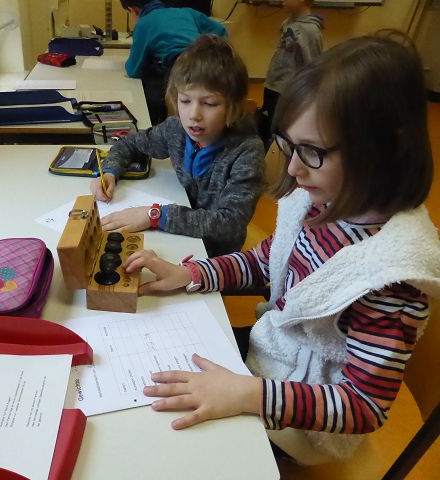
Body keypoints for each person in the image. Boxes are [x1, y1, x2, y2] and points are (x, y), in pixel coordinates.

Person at [123, 32, 440, 464]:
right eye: (290, 146)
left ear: (381, 150)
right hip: (272, 362)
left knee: (170, 442)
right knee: (154, 361)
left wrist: (247, 394)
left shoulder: (392, 279)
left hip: (303, 422)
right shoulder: (325, 202)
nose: (292, 169)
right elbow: (266, 261)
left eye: (311, 151)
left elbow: (363, 405)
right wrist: (192, 273)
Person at [91, 35, 265, 257]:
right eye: (185, 101)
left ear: (233, 106)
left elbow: (229, 223)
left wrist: (156, 216)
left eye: (209, 103)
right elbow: (129, 143)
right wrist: (110, 171)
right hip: (174, 233)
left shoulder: (247, 152)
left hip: (213, 255)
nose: (194, 115)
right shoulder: (176, 130)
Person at [121, 0, 227, 125]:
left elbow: (134, 70)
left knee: (155, 100)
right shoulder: (187, 12)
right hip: (206, 62)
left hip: (178, 67)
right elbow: (221, 30)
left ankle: (157, 126)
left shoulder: (143, 23)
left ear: (133, 10)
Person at [259, 0, 323, 149]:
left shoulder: (311, 31)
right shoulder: (288, 23)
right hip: (273, 84)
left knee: (282, 128)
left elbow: (313, 66)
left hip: (287, 91)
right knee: (268, 122)